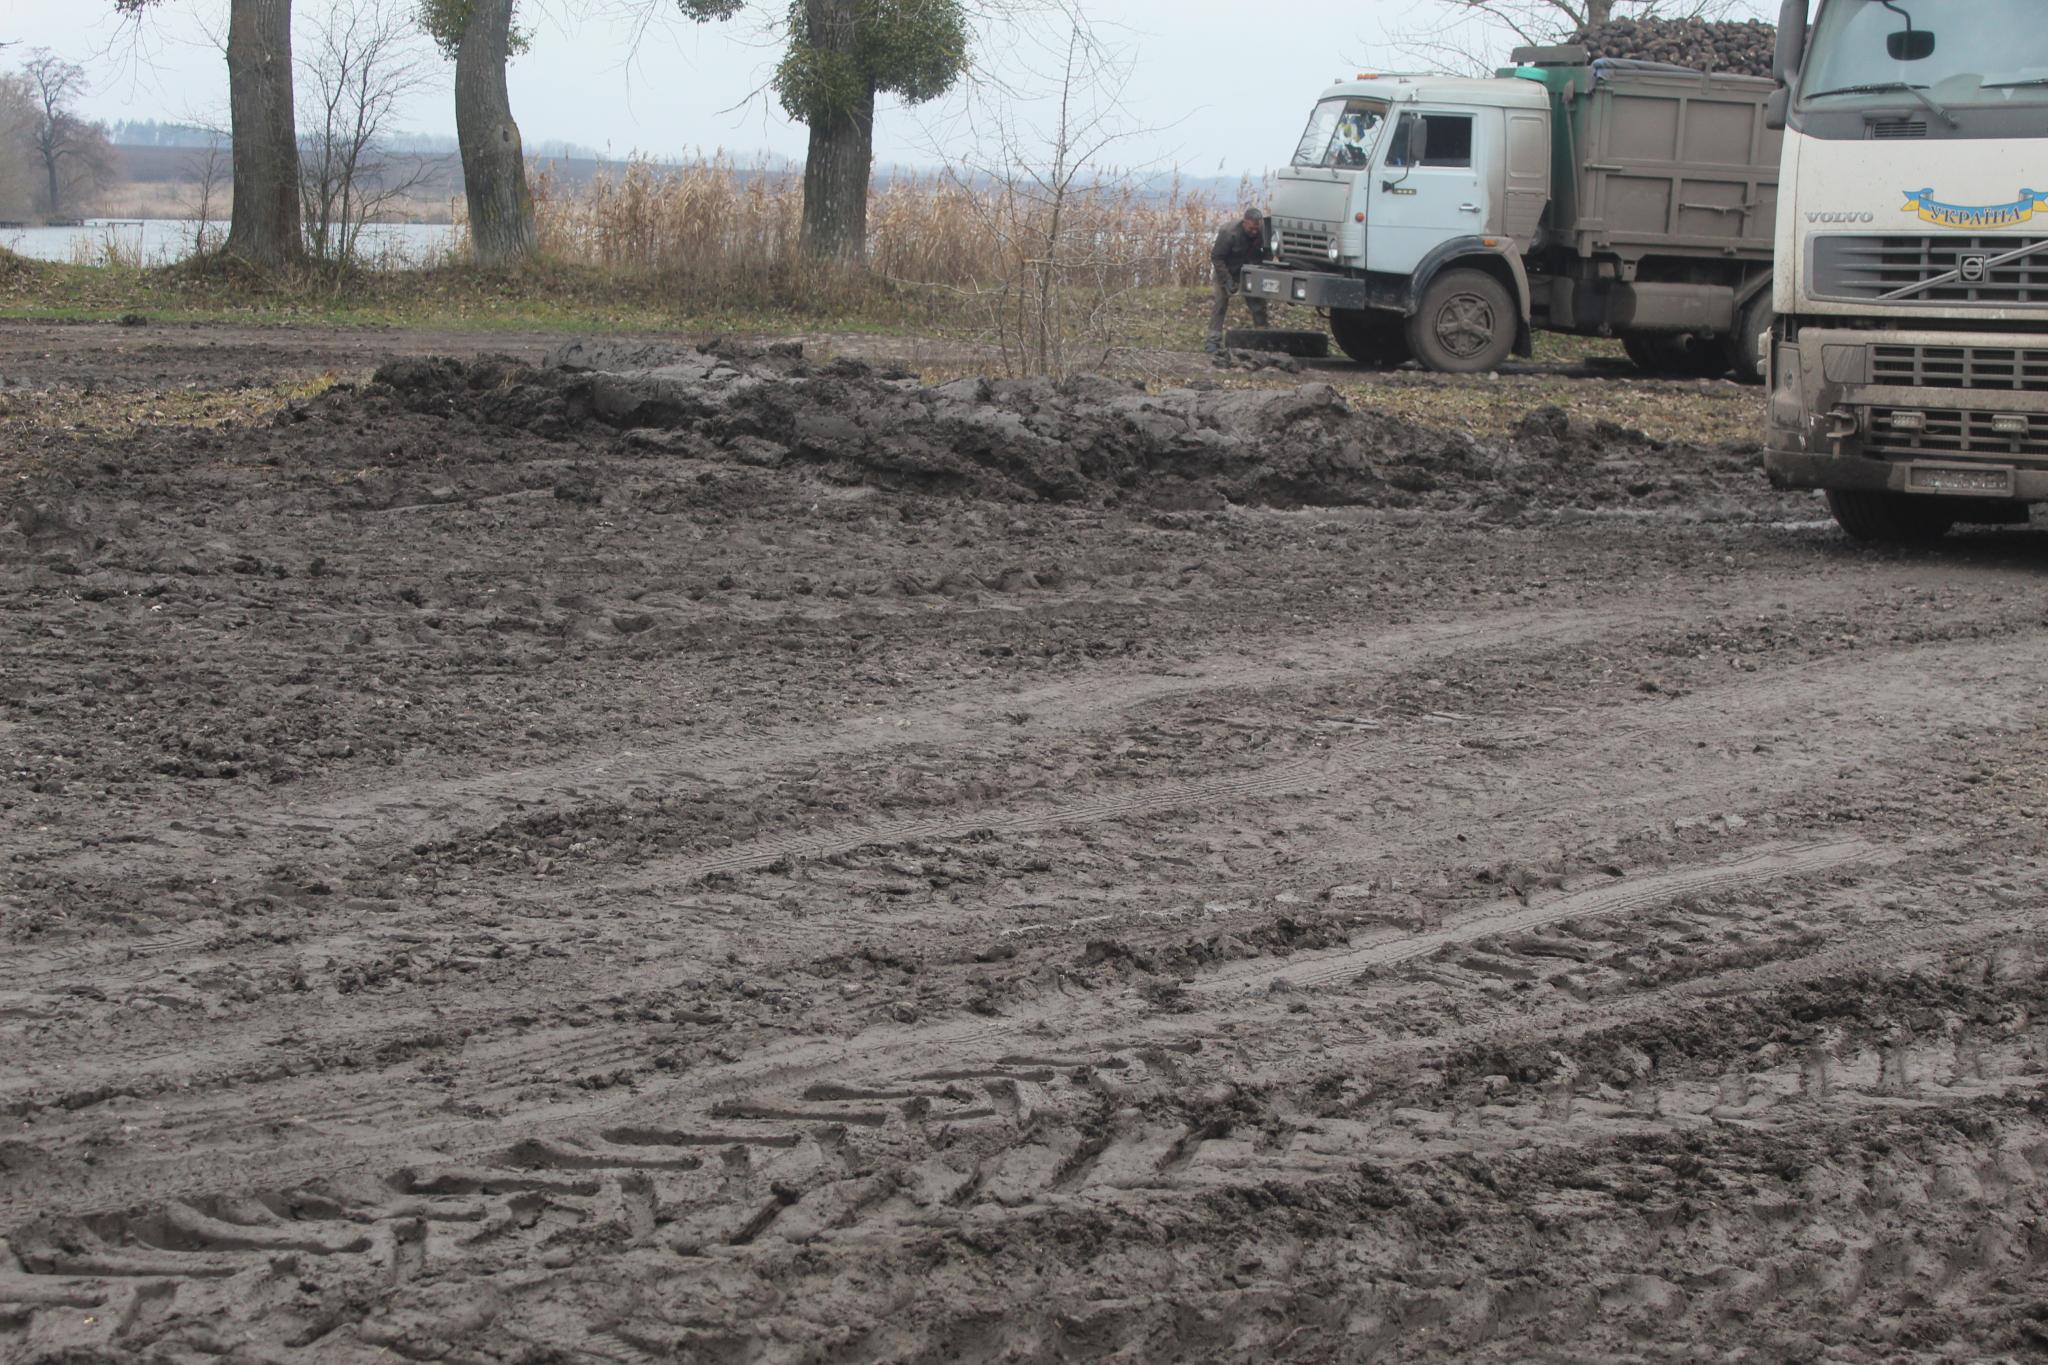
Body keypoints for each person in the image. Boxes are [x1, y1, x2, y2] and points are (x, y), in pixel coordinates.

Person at [1206, 206, 1271, 355]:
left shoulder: (1262, 232)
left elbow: (1268, 253)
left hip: (1250, 272)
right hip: (1226, 270)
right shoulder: (1229, 233)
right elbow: (1217, 257)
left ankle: (1264, 340)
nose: (1254, 232)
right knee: (1220, 304)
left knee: (1258, 306)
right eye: (1251, 229)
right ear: (1244, 222)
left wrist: (1262, 271)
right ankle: (1212, 342)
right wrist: (1227, 280)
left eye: (1257, 229)